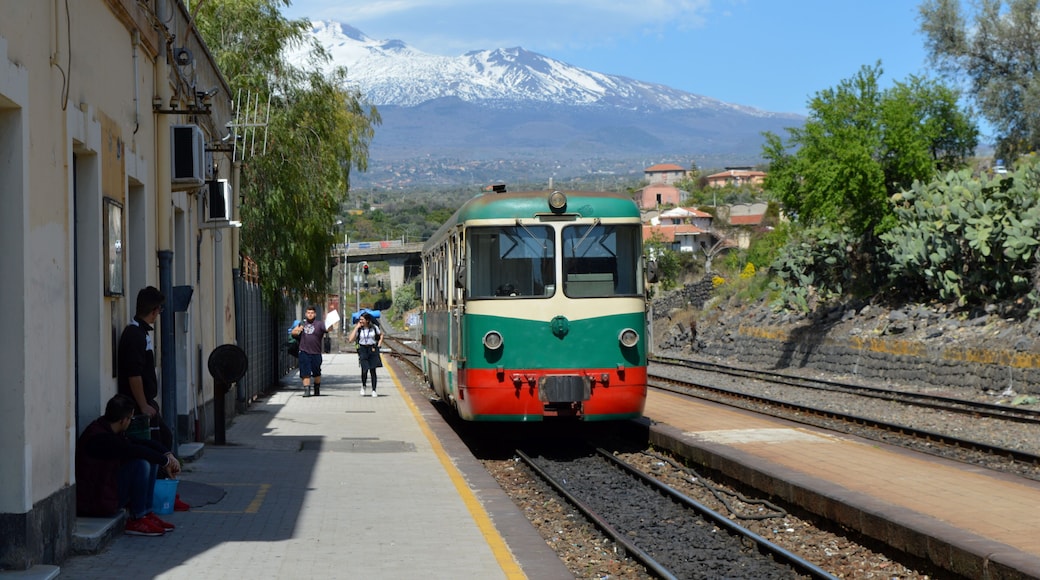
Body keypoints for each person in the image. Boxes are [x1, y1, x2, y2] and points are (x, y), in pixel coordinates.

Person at [76, 394, 182, 537]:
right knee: (141, 464)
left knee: (149, 459)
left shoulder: (109, 430)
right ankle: (137, 518)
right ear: (123, 420)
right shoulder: (100, 439)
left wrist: (167, 455)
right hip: (96, 500)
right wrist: (165, 462)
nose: (130, 422)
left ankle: (146, 513)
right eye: (130, 419)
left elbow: (140, 443)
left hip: (107, 490)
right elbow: (133, 449)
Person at [118, 285, 174, 451]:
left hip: (144, 402)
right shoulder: (135, 336)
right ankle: (160, 475)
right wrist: (143, 405)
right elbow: (134, 374)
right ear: (155, 311)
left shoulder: (139, 332)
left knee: (163, 439)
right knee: (159, 443)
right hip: (137, 405)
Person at [291, 306, 329, 396]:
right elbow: (293, 333)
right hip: (304, 351)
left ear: (315, 314)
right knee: (305, 372)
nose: (310, 314)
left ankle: (316, 388)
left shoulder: (319, 324)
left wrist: (330, 323)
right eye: (308, 313)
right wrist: (297, 330)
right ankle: (306, 390)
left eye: (312, 313)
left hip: (316, 352)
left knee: (316, 372)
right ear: (306, 314)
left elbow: (328, 329)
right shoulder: (302, 324)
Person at [348, 312, 384, 397]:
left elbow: (381, 335)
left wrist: (379, 345)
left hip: (372, 348)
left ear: (367, 320)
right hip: (363, 349)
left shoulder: (374, 328)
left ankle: (374, 390)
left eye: (362, 320)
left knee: (373, 370)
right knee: (364, 369)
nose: (360, 321)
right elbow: (350, 339)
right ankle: (363, 386)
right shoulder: (360, 329)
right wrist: (356, 328)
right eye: (360, 320)